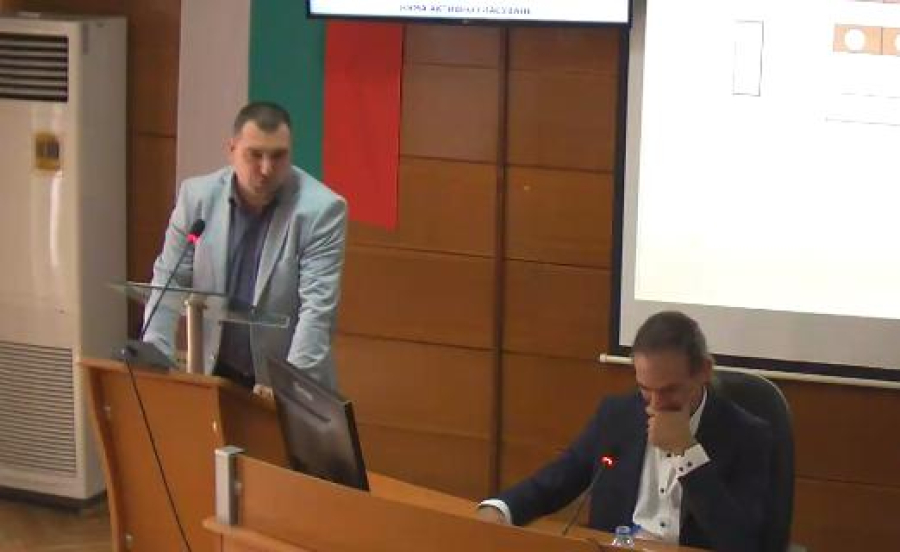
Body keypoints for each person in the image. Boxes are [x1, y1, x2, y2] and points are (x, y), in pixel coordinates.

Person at [477, 311, 773, 552]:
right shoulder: (617, 415)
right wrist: (502, 509)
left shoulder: (747, 436)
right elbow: (559, 478)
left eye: (669, 390)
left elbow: (741, 542)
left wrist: (687, 453)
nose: (655, 404)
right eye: (646, 389)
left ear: (704, 371)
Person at [142, 101, 347, 391]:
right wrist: (154, 358)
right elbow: (169, 279)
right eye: (255, 155)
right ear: (232, 150)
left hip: (283, 381)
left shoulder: (321, 211)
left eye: (278, 156)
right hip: (214, 372)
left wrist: (288, 391)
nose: (266, 168)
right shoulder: (197, 198)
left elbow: (316, 313)